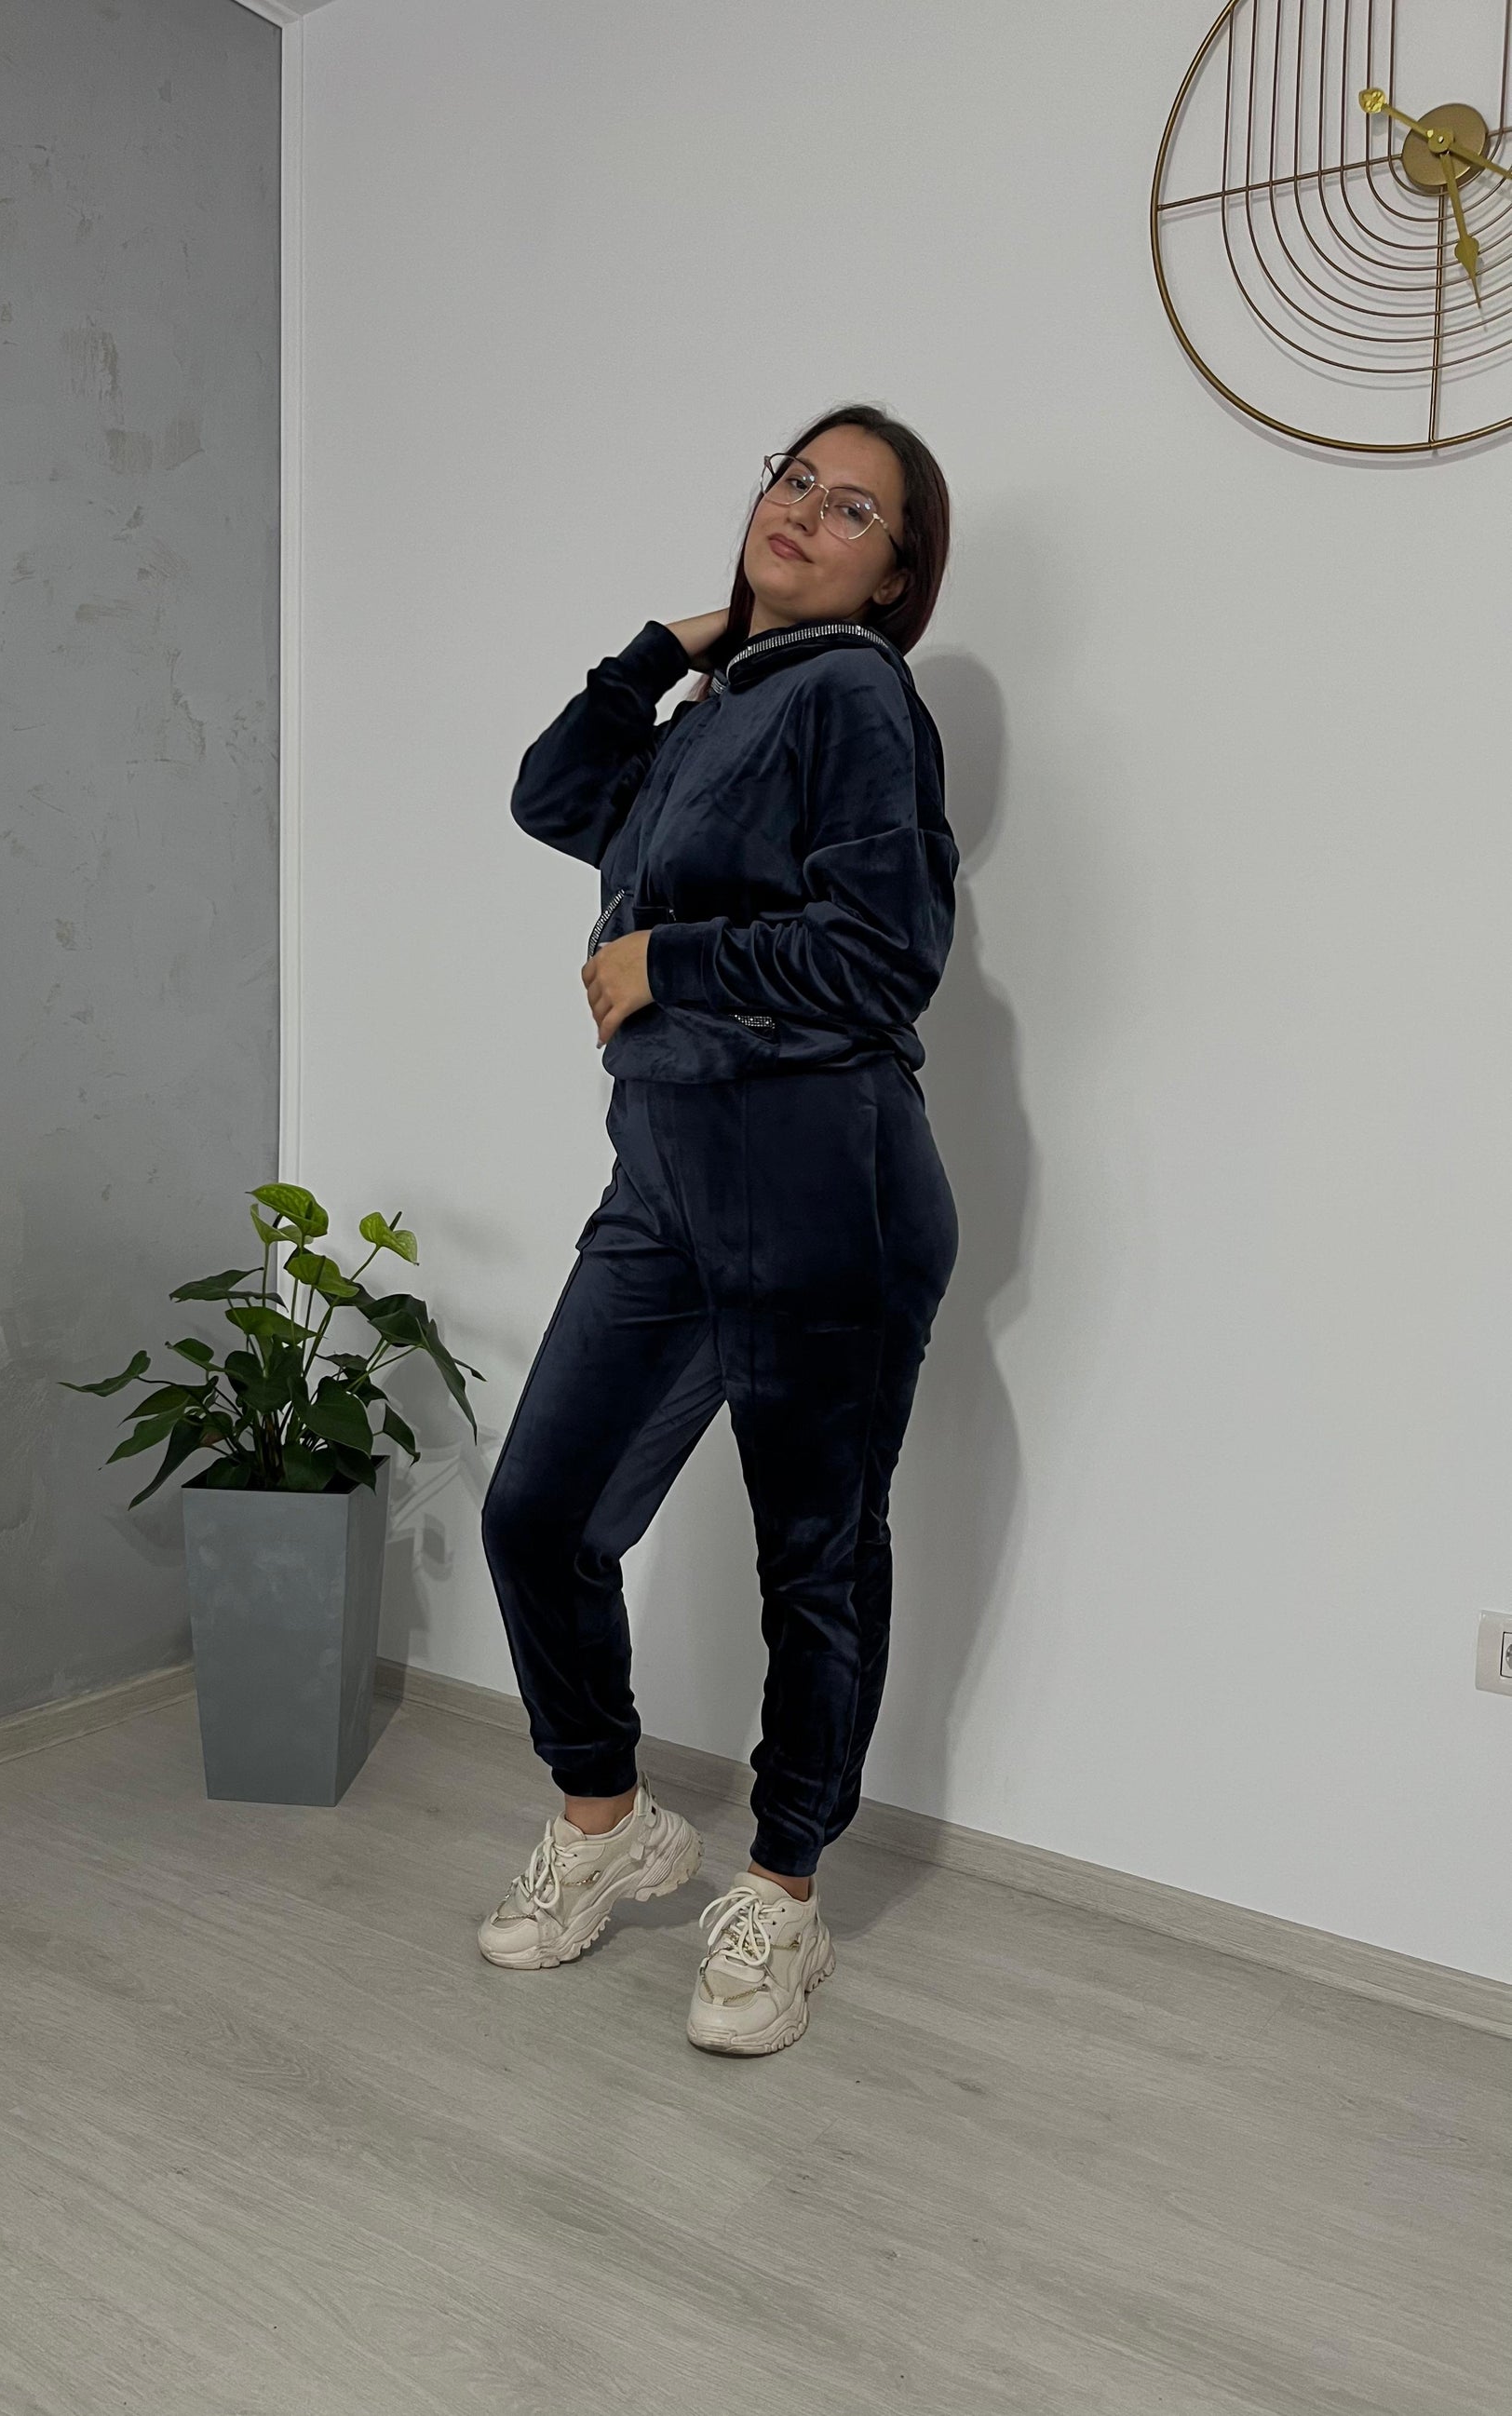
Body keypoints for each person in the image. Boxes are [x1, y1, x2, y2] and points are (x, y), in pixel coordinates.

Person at [477, 403, 962, 2058]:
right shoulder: (719, 708)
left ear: (894, 576)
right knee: (540, 1515)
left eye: (853, 510)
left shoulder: (855, 696)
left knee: (812, 1559)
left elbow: (884, 958)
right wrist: (671, 645)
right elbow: (553, 794)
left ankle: (781, 1893)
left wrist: (665, 960)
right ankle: (609, 1826)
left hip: (825, 1183)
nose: (805, 512)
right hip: (668, 1183)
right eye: (793, 480)